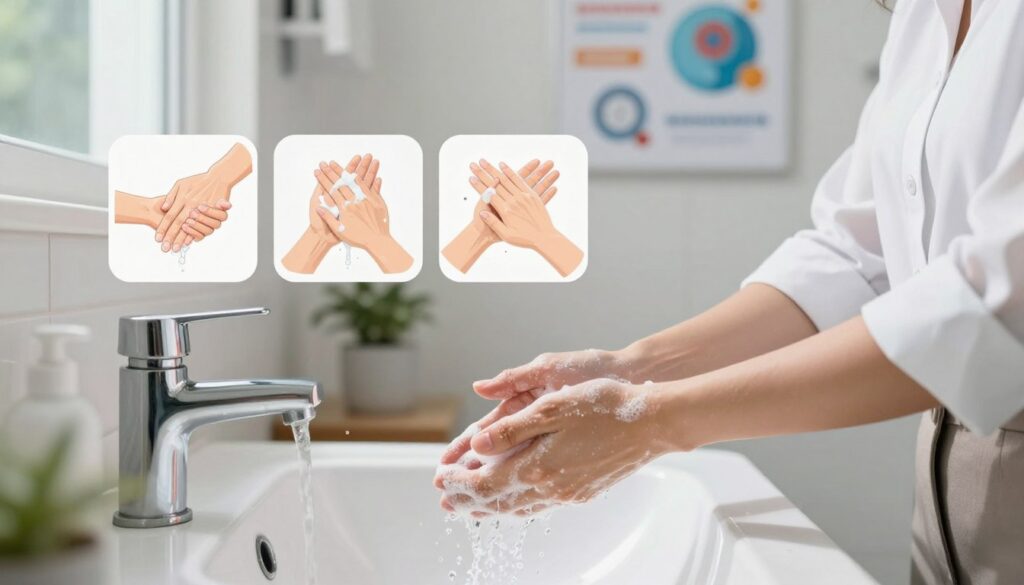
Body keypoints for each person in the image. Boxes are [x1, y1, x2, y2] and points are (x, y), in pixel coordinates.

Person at [434, 1, 1024, 583]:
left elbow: (995, 305)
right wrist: (633, 370)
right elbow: (855, 255)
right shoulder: (923, 16)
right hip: (942, 469)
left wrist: (650, 422)